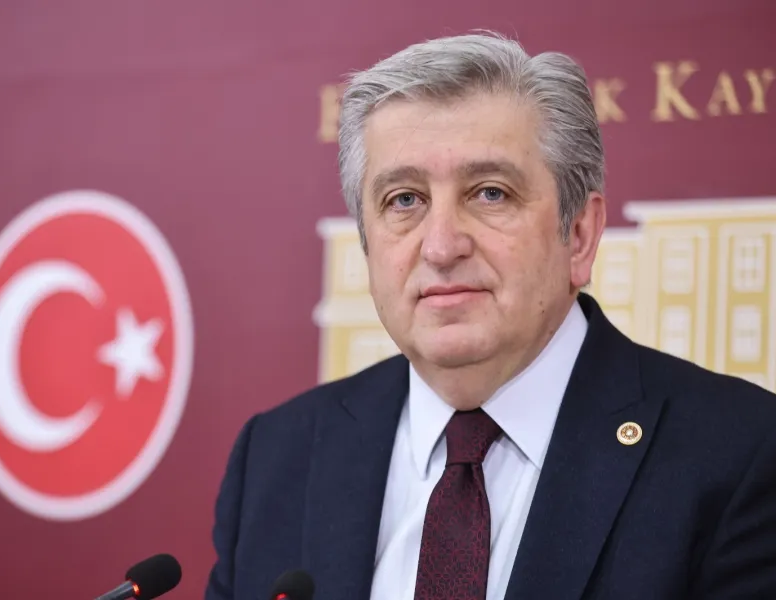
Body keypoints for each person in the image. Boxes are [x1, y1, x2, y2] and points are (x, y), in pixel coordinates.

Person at [205, 32, 776, 600]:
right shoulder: (276, 458)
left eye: (490, 194)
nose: (441, 246)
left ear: (579, 235)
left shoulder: (739, 454)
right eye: (404, 200)